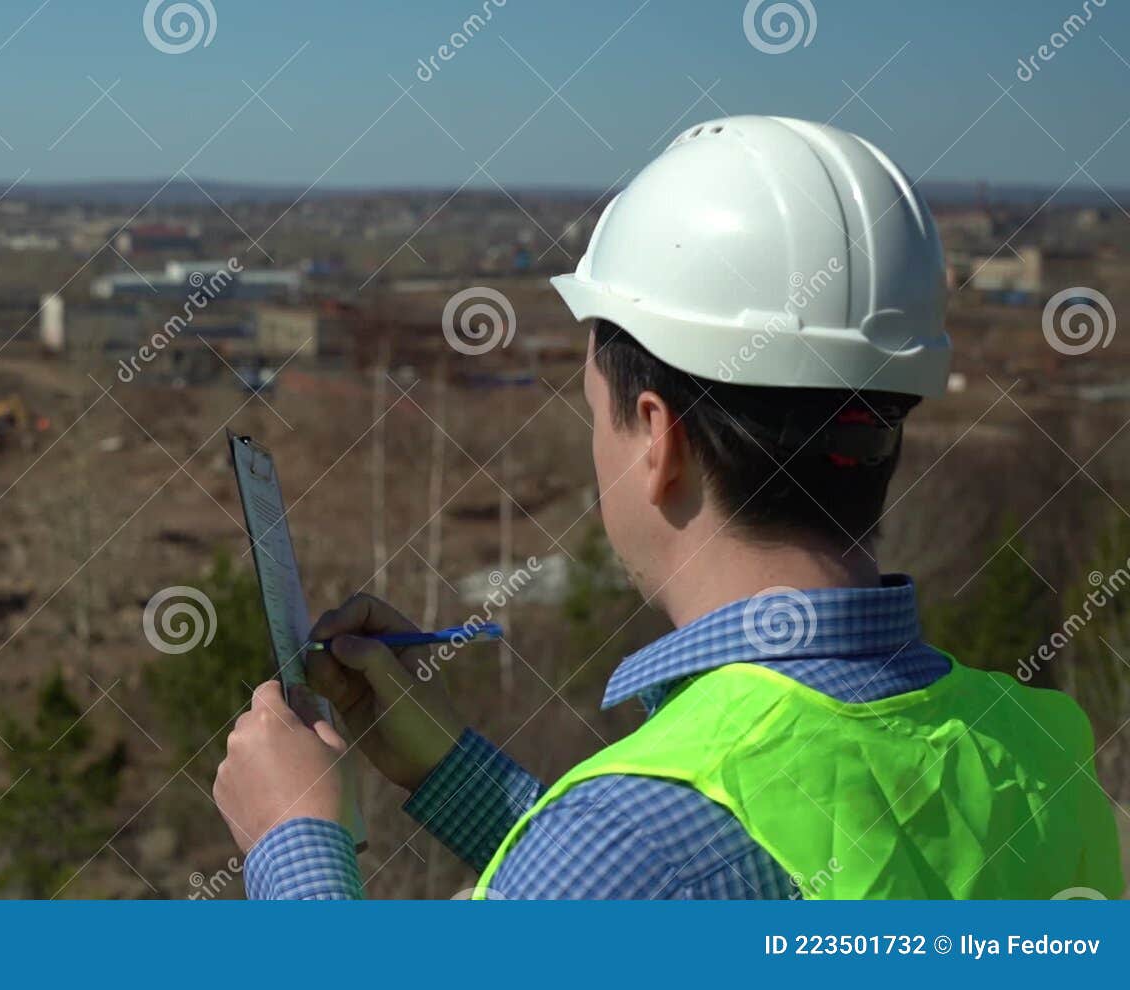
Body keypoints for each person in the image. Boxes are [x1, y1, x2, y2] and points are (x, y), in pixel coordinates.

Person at [211, 116, 1124, 899]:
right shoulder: (1039, 757)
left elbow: (643, 879)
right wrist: (449, 771)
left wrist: (294, 838)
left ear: (659, 439)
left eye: (595, 414)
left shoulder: (639, 842)